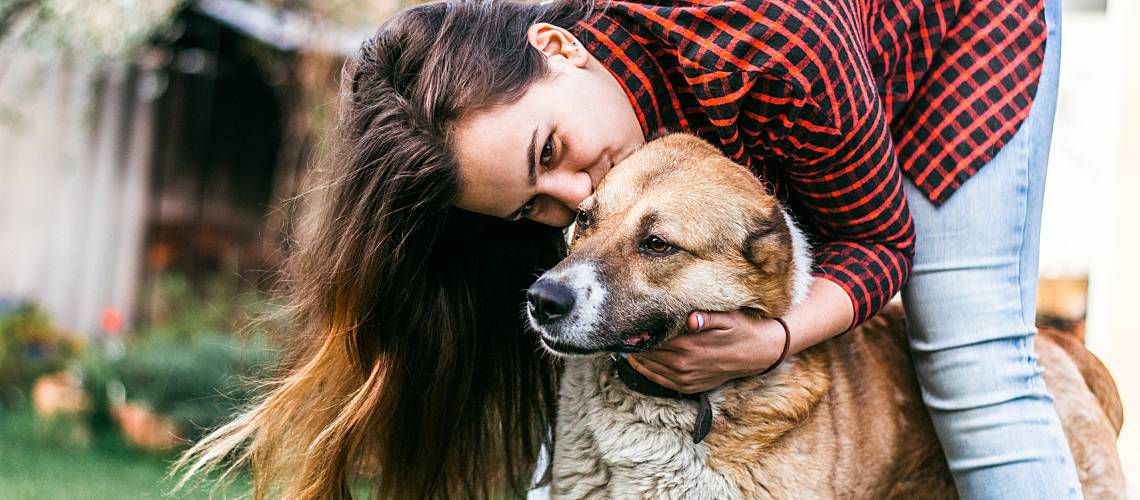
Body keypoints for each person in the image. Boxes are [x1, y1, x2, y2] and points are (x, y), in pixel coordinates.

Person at [174, 0, 1077, 498]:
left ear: (560, 46)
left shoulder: (767, 44)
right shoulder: (601, 123)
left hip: (960, 45)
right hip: (825, 96)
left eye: (550, 153)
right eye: (537, 204)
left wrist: (773, 338)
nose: (570, 198)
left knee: (966, 353)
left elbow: (880, 238)